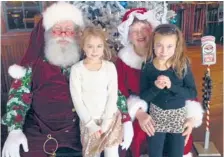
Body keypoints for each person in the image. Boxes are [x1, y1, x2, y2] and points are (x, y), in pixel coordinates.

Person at [117, 8, 204, 157]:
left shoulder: (176, 61)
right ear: (128, 35)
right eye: (134, 31)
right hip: (142, 115)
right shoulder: (124, 61)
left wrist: (191, 117)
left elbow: (189, 92)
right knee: (141, 137)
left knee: (179, 140)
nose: (140, 34)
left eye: (144, 29)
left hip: (173, 110)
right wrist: (138, 112)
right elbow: (119, 94)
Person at [1, 2, 85, 157]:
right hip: (41, 131)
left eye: (68, 30)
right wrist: (15, 130)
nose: (63, 35)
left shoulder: (87, 60)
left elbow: (108, 88)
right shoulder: (33, 63)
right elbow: (17, 97)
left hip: (78, 130)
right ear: (48, 33)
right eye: (57, 30)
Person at [140, 23, 198, 157]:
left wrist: (172, 86)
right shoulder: (147, 66)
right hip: (156, 118)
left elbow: (192, 92)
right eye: (159, 45)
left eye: (169, 46)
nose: (164, 51)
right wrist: (156, 88)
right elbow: (143, 96)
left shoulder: (182, 65)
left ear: (177, 46)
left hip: (178, 118)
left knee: (176, 153)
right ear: (153, 45)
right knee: (155, 153)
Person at [70, 27, 122, 157]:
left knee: (112, 154)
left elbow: (112, 95)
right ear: (83, 47)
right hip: (89, 122)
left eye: (99, 46)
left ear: (103, 47)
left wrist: (106, 122)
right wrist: (90, 125)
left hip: (110, 119)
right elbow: (77, 99)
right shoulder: (77, 70)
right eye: (90, 46)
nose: (95, 51)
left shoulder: (109, 67)